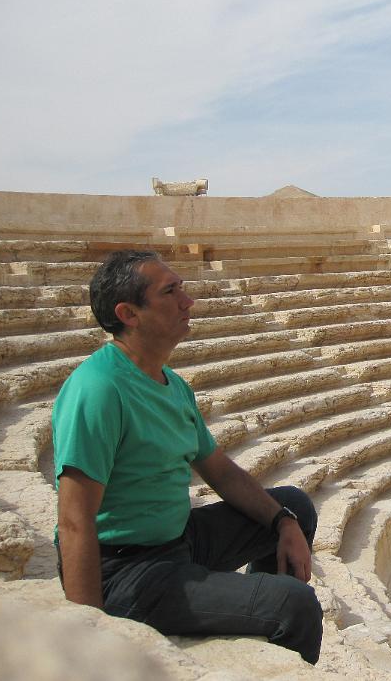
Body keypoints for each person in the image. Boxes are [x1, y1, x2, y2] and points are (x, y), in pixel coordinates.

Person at [53, 250, 322, 664]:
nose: (188, 301)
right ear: (129, 313)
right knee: (296, 604)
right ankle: (269, 613)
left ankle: (252, 618)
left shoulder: (171, 384)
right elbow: (74, 520)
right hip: (128, 571)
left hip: (176, 540)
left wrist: (283, 521)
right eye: (171, 291)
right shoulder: (99, 389)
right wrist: (92, 637)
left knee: (295, 507)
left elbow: (219, 471)